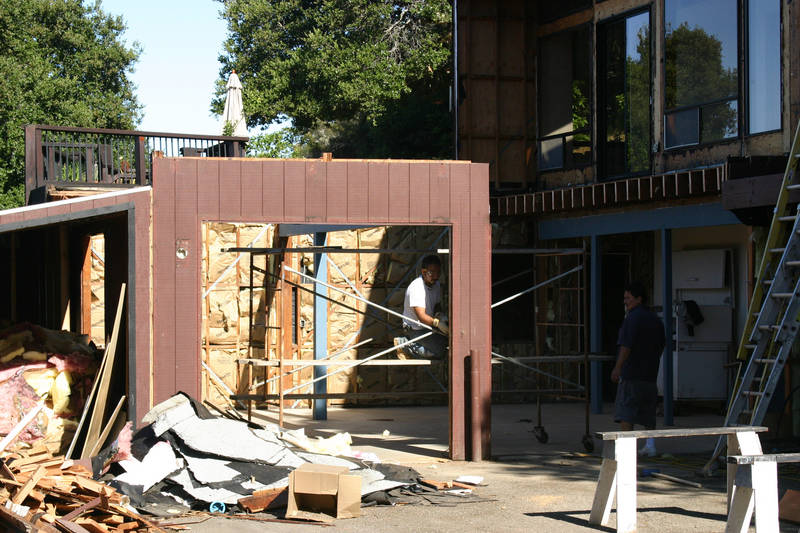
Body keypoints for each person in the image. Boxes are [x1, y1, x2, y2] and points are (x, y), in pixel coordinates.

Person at [611, 281, 665, 457]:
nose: (625, 301)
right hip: (650, 374)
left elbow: (626, 345)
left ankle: (627, 450)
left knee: (627, 412)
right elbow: (662, 344)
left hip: (632, 373)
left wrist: (618, 367)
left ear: (638, 299)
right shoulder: (655, 319)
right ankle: (651, 445)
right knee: (648, 412)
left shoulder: (632, 318)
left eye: (628, 298)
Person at [400, 254, 449, 358]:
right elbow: (421, 316)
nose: (436, 276)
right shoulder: (416, 288)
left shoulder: (436, 284)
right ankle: (405, 345)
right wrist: (437, 323)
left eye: (438, 272)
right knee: (440, 352)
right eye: (432, 273)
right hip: (414, 329)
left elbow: (437, 304)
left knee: (449, 344)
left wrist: (439, 315)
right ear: (423, 272)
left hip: (428, 326)